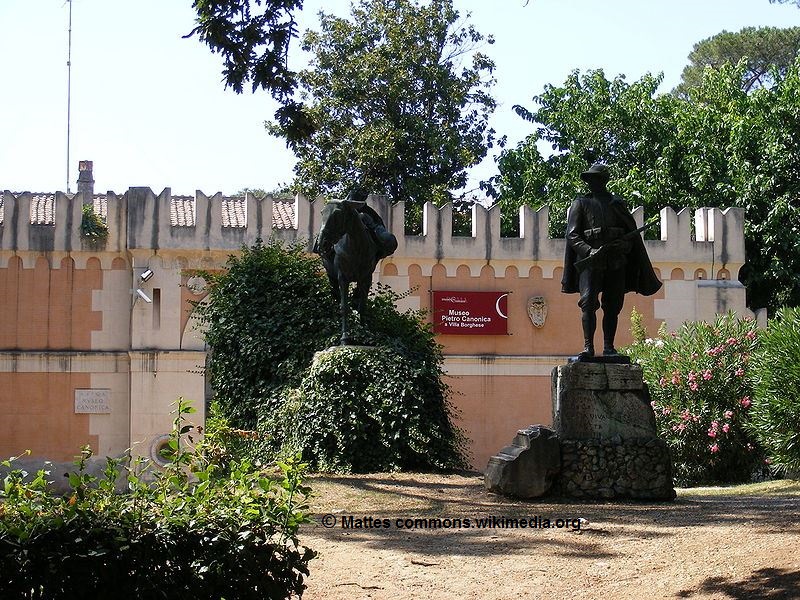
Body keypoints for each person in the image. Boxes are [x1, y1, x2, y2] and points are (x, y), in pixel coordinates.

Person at [561, 163, 662, 358]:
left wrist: (622, 247)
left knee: (613, 304)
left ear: (603, 180)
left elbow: (630, 237)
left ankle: (609, 347)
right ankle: (588, 347)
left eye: (596, 178)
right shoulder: (580, 203)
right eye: (590, 179)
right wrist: (589, 251)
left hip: (615, 261)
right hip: (590, 261)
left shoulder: (617, 204)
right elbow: (572, 236)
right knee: (588, 302)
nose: (592, 182)